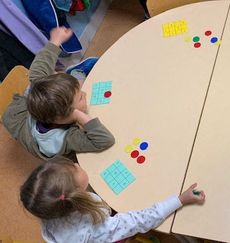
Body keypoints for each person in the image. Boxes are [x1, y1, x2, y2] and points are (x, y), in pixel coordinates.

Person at [20, 160, 206, 242]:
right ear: (76, 195)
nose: (77, 164)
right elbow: (140, 220)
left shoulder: (48, 208)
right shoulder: (98, 228)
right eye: (75, 168)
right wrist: (180, 199)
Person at [2, 27, 114, 160]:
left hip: (22, 112)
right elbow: (105, 140)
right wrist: (79, 116)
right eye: (80, 98)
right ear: (63, 117)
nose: (84, 93)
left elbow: (40, 66)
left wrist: (55, 41)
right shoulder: (63, 139)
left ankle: (74, 75)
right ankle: (77, 75)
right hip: (19, 122)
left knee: (39, 77)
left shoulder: (39, 86)